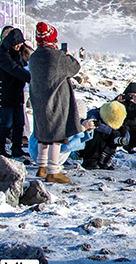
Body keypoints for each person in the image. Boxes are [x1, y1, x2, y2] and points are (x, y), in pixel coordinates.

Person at [27, 22, 90, 183]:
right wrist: (67, 54)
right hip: (56, 102)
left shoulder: (34, 57)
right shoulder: (57, 57)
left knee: (42, 135)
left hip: (39, 102)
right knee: (56, 136)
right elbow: (75, 67)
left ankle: (41, 168)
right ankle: (53, 171)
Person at [0, 27, 31, 158]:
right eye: (16, 44)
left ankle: (17, 148)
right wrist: (33, 78)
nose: (18, 46)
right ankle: (0, 148)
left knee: (19, 122)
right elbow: (14, 69)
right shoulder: (1, 54)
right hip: (5, 93)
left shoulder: (18, 53)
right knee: (6, 123)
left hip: (17, 92)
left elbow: (22, 66)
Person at [80, 101, 127, 170]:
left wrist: (121, 138)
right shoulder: (93, 113)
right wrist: (110, 131)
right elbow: (92, 123)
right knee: (94, 132)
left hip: (102, 146)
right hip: (84, 145)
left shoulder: (118, 116)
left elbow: (126, 134)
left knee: (114, 135)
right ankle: (90, 161)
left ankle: (104, 161)